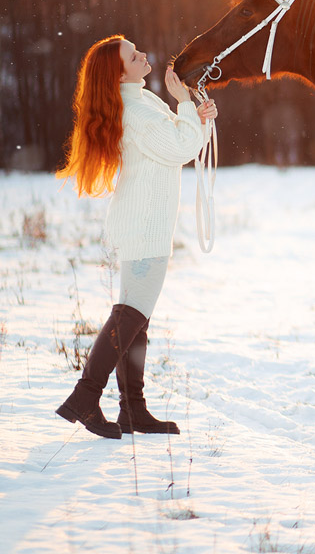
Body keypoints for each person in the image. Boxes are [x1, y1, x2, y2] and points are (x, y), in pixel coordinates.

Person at [54, 35, 217, 438]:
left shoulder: (141, 101)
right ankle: (85, 396)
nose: (143, 54)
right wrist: (186, 106)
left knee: (135, 320)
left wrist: (199, 113)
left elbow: (183, 137)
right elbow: (180, 146)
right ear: (120, 71)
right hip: (145, 226)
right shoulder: (137, 110)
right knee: (132, 315)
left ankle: (133, 410)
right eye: (133, 54)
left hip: (144, 223)